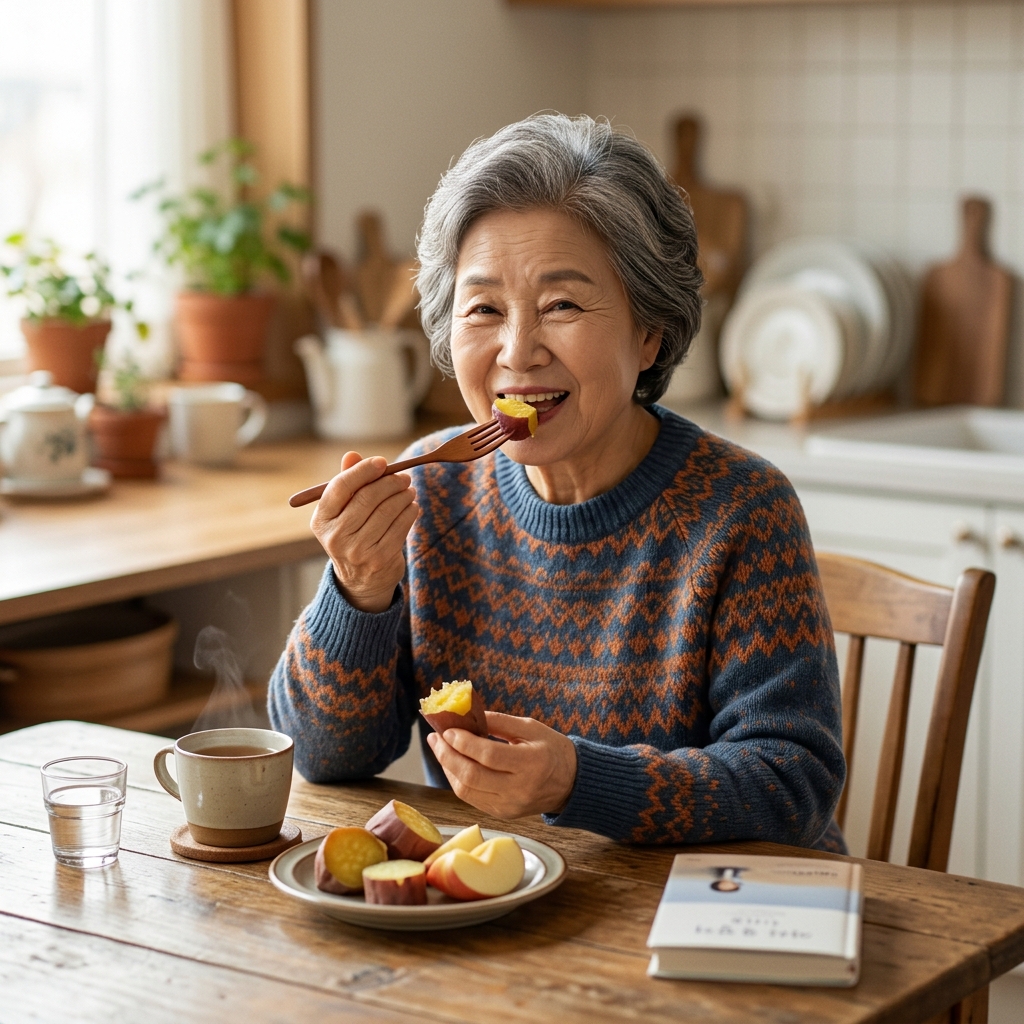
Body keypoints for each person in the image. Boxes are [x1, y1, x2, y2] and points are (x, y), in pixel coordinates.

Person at [269, 113, 846, 851]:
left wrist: (579, 780)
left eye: (562, 305)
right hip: (501, 918)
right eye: (484, 309)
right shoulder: (435, 495)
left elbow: (792, 781)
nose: (518, 351)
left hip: (714, 922)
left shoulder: (741, 509)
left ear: (650, 332)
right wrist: (358, 590)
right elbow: (321, 756)